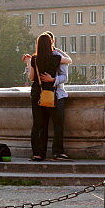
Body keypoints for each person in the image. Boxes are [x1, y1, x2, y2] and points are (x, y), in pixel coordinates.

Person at [23, 32, 71, 162]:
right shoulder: (56, 58)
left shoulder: (34, 58)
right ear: (51, 44)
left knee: (39, 124)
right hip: (53, 94)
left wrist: (28, 62)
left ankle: (38, 153)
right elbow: (69, 62)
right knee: (58, 124)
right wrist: (52, 79)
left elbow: (31, 77)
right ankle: (57, 152)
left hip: (37, 94)